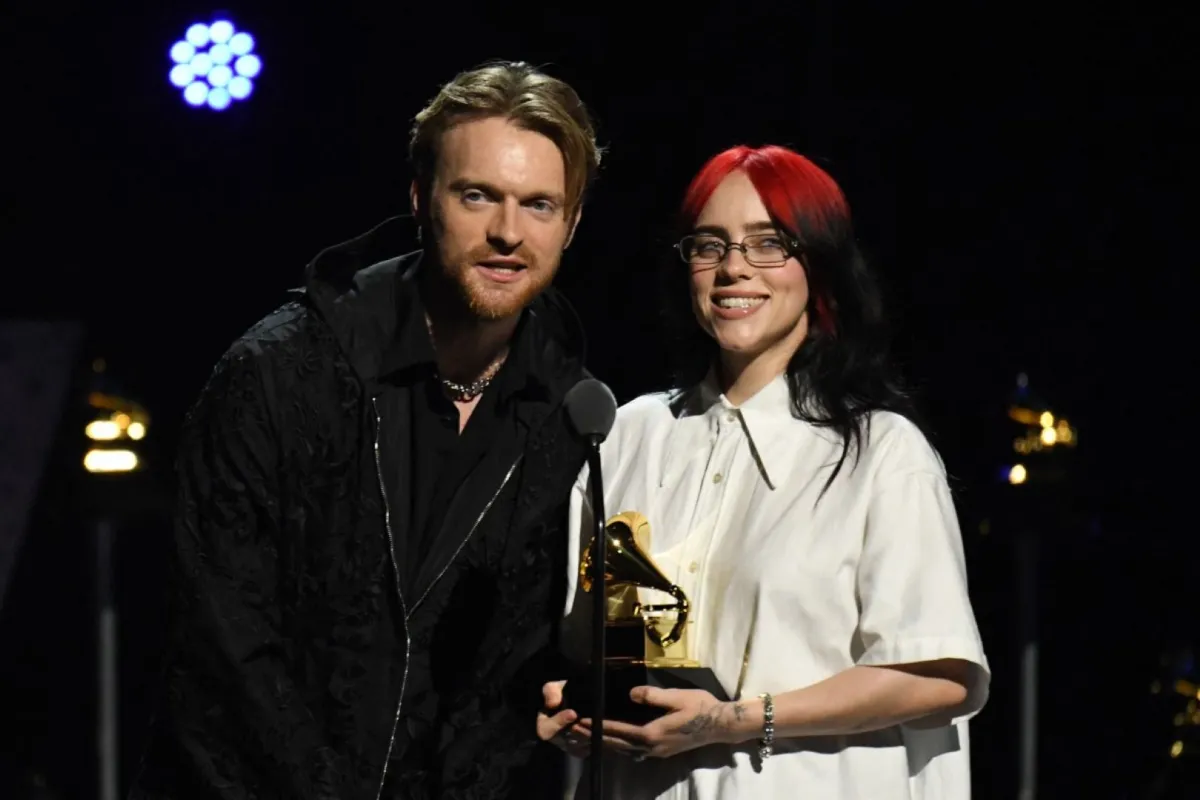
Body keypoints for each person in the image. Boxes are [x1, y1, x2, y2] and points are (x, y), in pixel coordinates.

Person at [130, 60, 603, 800]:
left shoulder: (571, 417)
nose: (508, 232)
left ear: (571, 223)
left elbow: (519, 681)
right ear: (421, 198)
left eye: (539, 205)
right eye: (477, 195)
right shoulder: (282, 372)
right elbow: (220, 649)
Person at [538, 145, 990, 798]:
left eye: (768, 243)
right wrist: (575, 702)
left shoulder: (879, 453)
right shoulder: (628, 434)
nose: (733, 269)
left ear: (820, 267)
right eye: (709, 245)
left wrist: (734, 721)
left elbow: (942, 674)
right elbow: (590, 650)